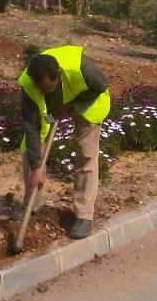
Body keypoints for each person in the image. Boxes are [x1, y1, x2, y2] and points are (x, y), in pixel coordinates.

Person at [13, 45, 110, 239]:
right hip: (52, 110)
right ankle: (32, 204)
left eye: (49, 88)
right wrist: (35, 168)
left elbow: (101, 85)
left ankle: (84, 216)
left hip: (88, 103)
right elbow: (31, 127)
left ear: (59, 75)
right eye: (41, 89)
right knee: (31, 152)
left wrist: (72, 103)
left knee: (86, 155)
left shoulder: (81, 67)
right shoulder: (28, 85)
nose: (45, 92)